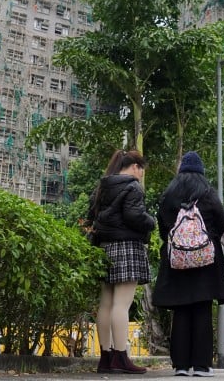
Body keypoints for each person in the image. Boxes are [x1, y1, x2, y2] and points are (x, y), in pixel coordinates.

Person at [152, 151, 224, 377]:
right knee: (202, 311)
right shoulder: (208, 193)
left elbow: (163, 227)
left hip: (177, 261)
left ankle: (180, 366)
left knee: (181, 311)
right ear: (201, 172)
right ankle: (201, 366)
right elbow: (222, 222)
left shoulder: (169, 194)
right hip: (206, 262)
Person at [88, 149, 156, 374]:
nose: (141, 176)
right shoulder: (132, 186)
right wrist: (151, 221)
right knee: (121, 304)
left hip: (104, 247)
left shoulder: (102, 186)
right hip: (126, 246)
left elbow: (91, 216)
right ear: (136, 167)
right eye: (142, 171)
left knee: (106, 303)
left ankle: (105, 357)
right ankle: (121, 357)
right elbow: (133, 216)